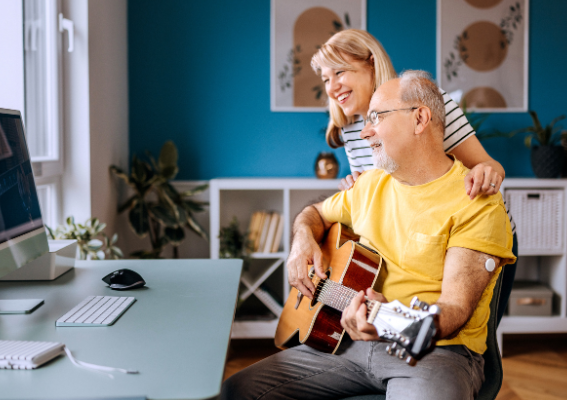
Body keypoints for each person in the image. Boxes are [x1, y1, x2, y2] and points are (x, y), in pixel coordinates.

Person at [221, 71, 516, 400]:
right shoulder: (370, 184)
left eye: (377, 117)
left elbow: (454, 309)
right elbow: (315, 213)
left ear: (420, 118)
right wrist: (301, 238)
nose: (365, 131)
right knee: (236, 392)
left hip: (437, 354)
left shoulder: (476, 204)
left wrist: (387, 321)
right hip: (349, 345)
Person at [312, 29, 504, 196]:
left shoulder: (426, 102)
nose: (332, 88)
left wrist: (486, 175)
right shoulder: (350, 128)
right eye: (326, 79)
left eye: (339, 72)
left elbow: (490, 166)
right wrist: (357, 188)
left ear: (371, 63)